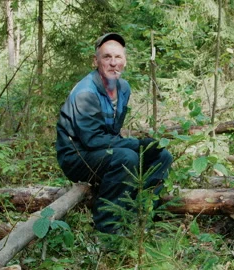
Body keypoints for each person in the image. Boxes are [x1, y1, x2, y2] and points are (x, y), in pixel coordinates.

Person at [55, 33, 173, 234]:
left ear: (125, 61)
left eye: (118, 57)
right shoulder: (86, 92)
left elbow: (111, 132)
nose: (113, 63)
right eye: (107, 57)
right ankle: (108, 228)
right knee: (126, 157)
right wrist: (136, 144)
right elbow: (92, 140)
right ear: (96, 61)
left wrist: (142, 147)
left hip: (101, 152)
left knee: (162, 155)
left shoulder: (123, 88)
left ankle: (140, 214)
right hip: (77, 157)